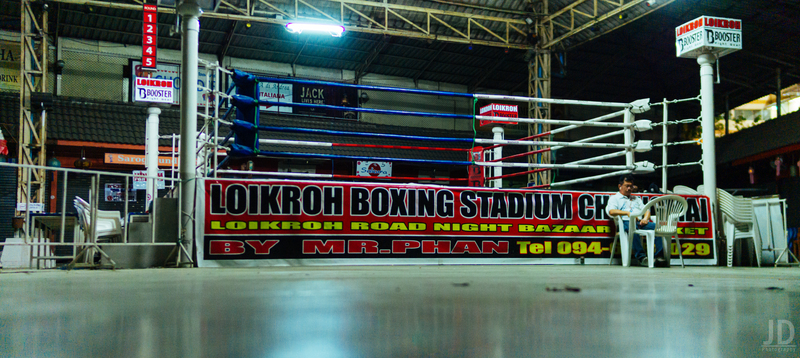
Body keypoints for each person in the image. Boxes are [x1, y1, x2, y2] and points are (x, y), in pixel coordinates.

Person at [606, 174, 666, 267]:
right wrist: (627, 213)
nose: (629, 188)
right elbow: (612, 211)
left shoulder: (636, 199)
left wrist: (645, 219)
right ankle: (642, 258)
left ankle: (658, 257)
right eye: (627, 186)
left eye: (631, 186)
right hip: (625, 222)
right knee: (631, 226)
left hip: (639, 222)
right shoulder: (615, 198)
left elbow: (646, 210)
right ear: (620, 186)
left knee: (657, 227)